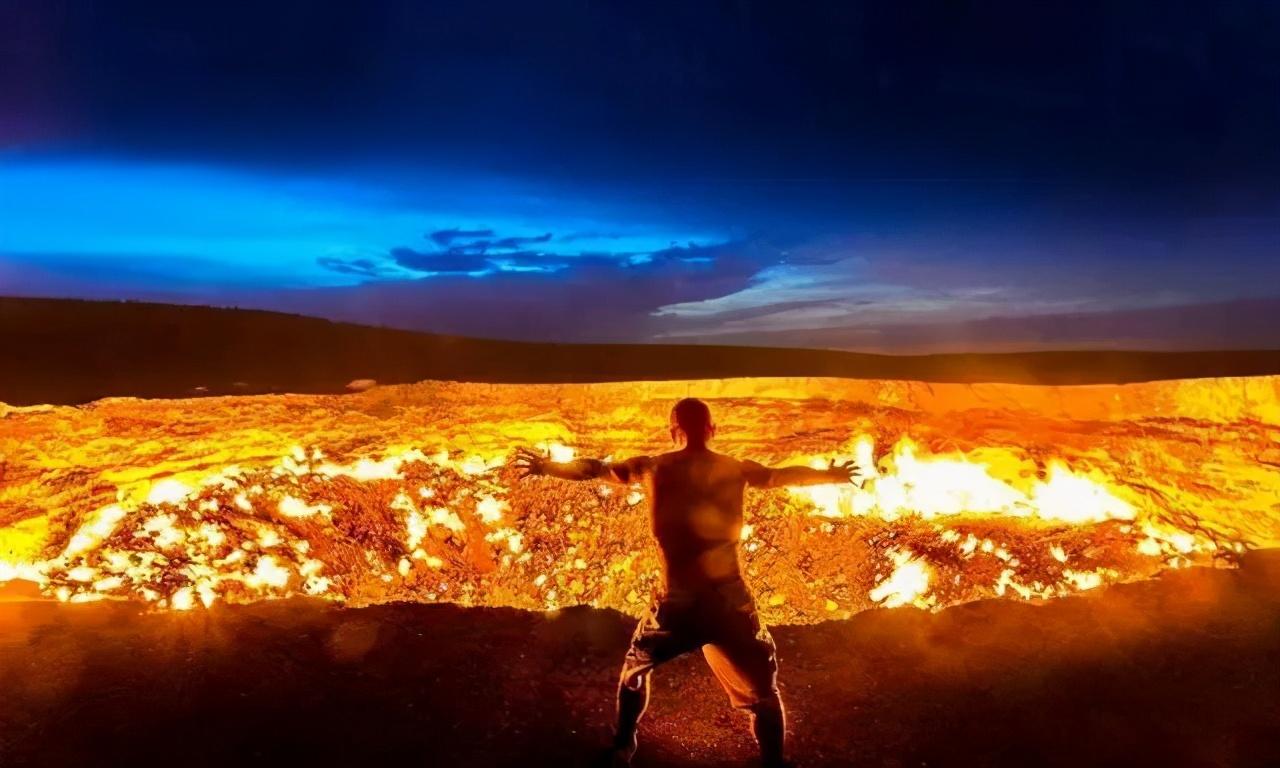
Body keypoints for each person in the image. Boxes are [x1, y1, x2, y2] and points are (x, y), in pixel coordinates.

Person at [513, 397, 859, 767]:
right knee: (763, 692)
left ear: (672, 431)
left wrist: (546, 467)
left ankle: (624, 746)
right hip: (729, 601)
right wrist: (831, 475)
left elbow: (595, 469)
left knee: (634, 672)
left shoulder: (652, 467)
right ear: (713, 430)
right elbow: (779, 476)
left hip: (676, 603)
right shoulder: (735, 468)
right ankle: (773, 762)